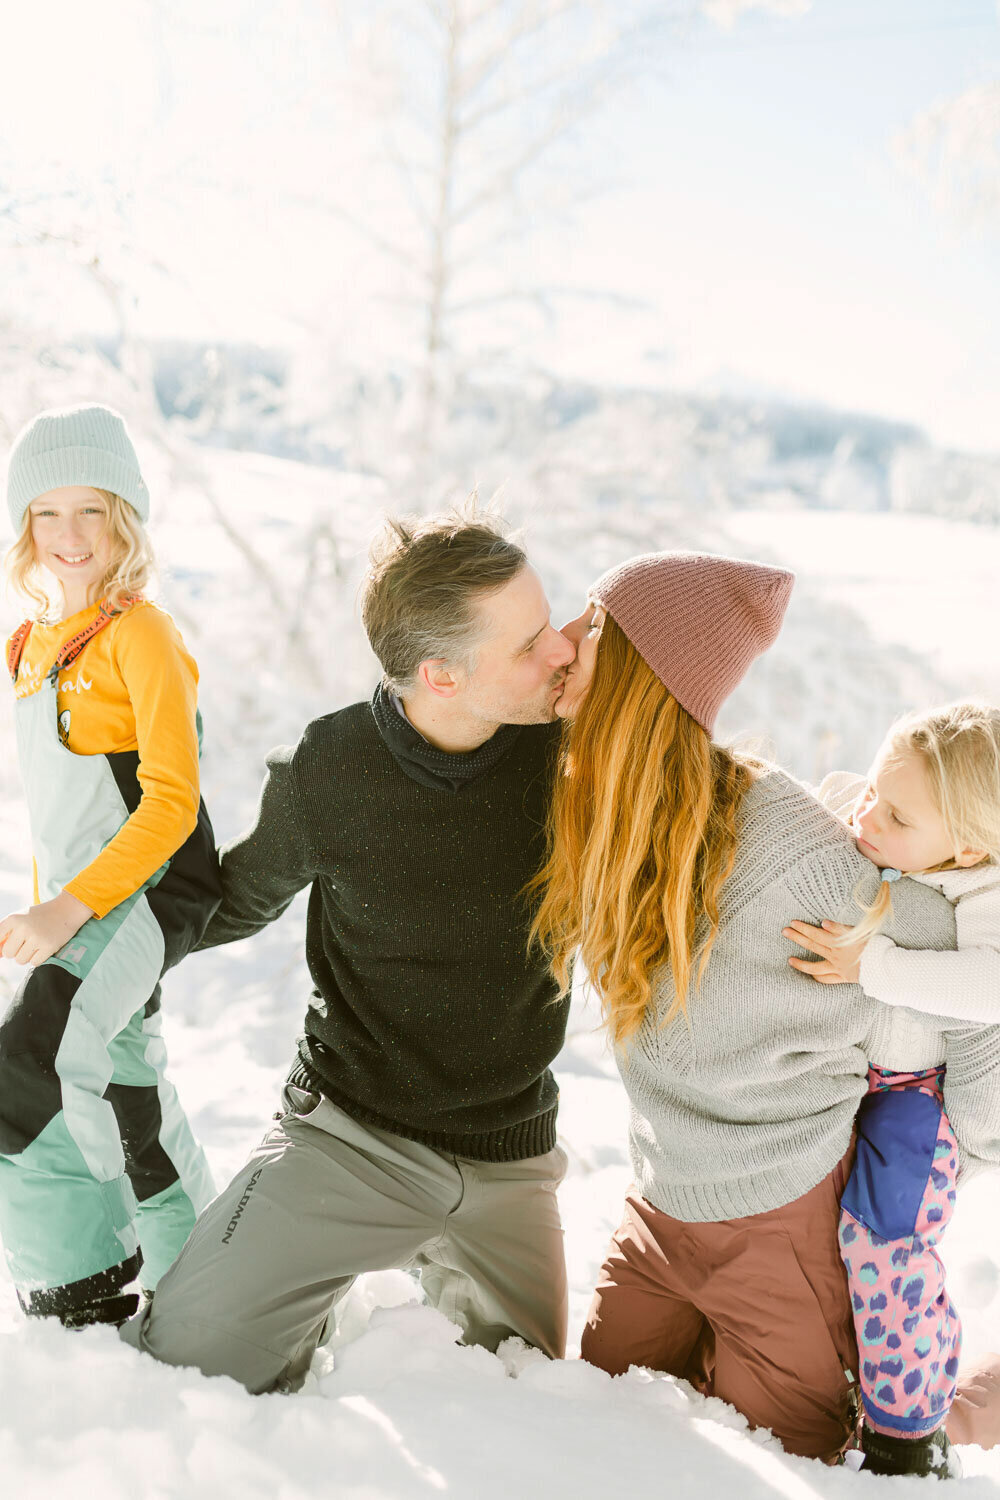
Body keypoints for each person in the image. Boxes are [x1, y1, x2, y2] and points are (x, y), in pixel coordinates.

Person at [530, 549, 1000, 1473]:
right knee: (595, 1414)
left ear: (636, 672)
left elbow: (973, 975)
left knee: (805, 1456)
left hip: (781, 1221)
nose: (563, 646)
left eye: (590, 629)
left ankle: (962, 1411)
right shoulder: (605, 798)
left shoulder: (797, 853)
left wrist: (974, 1131)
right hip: (661, 1204)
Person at [121, 508, 578, 1392]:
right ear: (440, 676)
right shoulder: (328, 770)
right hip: (349, 1135)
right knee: (182, 1364)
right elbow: (236, 900)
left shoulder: (569, 751)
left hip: (508, 1153)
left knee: (533, 1398)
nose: (560, 651)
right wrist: (96, 957)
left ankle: (420, 1264)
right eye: (529, 645)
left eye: (550, 623)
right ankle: (310, 1277)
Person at [0, 404, 220, 1328]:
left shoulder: (143, 635)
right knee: (127, 1081)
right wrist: (52, 900)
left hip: (152, 888)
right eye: (47, 513)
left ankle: (85, 1293)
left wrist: (69, 914)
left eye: (90, 509)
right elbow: (67, 811)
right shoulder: (32, 646)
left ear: (124, 516)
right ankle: (212, 1276)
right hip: (88, 899)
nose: (69, 535)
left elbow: (171, 801)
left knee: (31, 1069)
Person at [781, 701, 1000, 1473]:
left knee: (885, 1241)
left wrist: (874, 967)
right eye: (875, 791)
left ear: (968, 846)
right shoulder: (894, 828)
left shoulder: (985, 888)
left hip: (923, 1100)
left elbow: (992, 983)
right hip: (858, 1074)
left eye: (897, 815)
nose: (870, 817)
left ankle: (908, 1431)